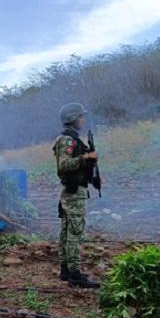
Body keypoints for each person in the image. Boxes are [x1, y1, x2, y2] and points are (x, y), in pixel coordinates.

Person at [52, 103, 100, 288]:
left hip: (73, 190)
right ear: (72, 119)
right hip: (73, 192)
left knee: (66, 232)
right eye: (80, 116)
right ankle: (74, 275)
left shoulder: (72, 140)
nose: (83, 120)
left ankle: (66, 271)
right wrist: (85, 158)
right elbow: (64, 165)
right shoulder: (68, 140)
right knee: (74, 233)